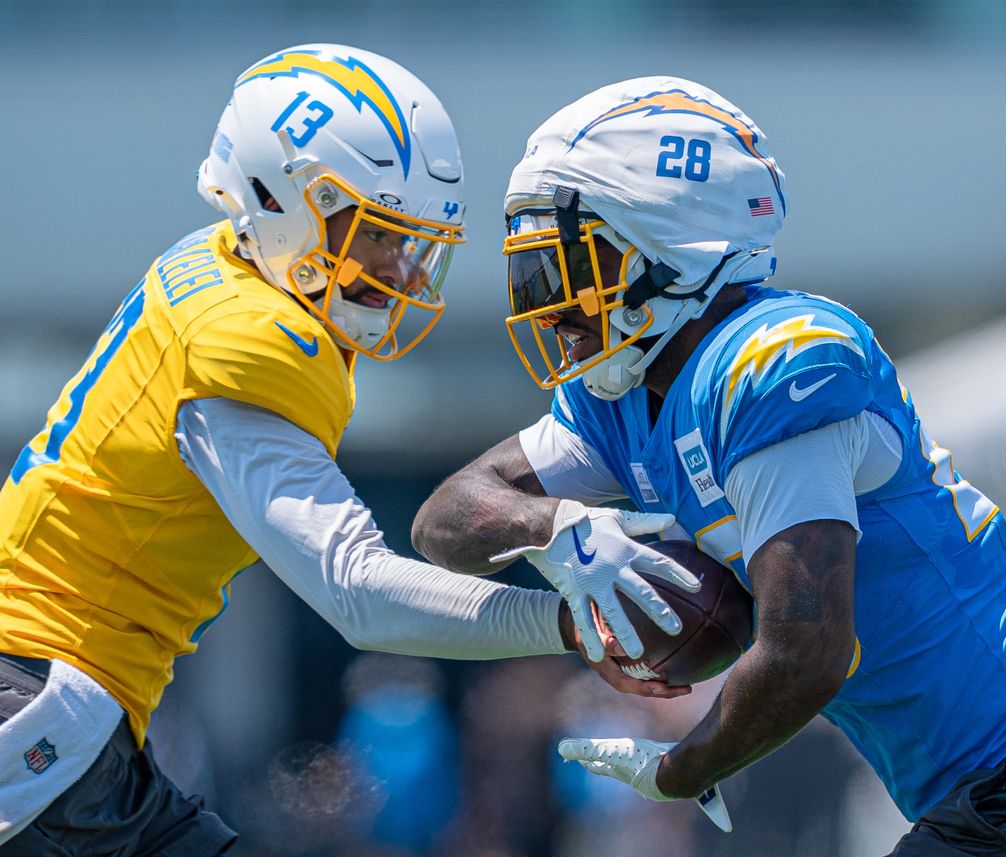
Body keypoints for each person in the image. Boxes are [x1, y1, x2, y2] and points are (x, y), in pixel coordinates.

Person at [411, 77, 1006, 854]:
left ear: (669, 239)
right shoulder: (621, 399)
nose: (551, 302)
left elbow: (808, 652)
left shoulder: (771, 362)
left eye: (573, 261)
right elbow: (445, 521)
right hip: (999, 792)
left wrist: (681, 767)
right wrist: (556, 525)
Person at [0, 46, 698, 854]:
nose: (397, 268)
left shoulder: (219, 262)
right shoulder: (255, 341)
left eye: (411, 241)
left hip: (56, 705)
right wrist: (573, 623)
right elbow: (358, 589)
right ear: (282, 196)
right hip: (42, 702)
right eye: (372, 233)